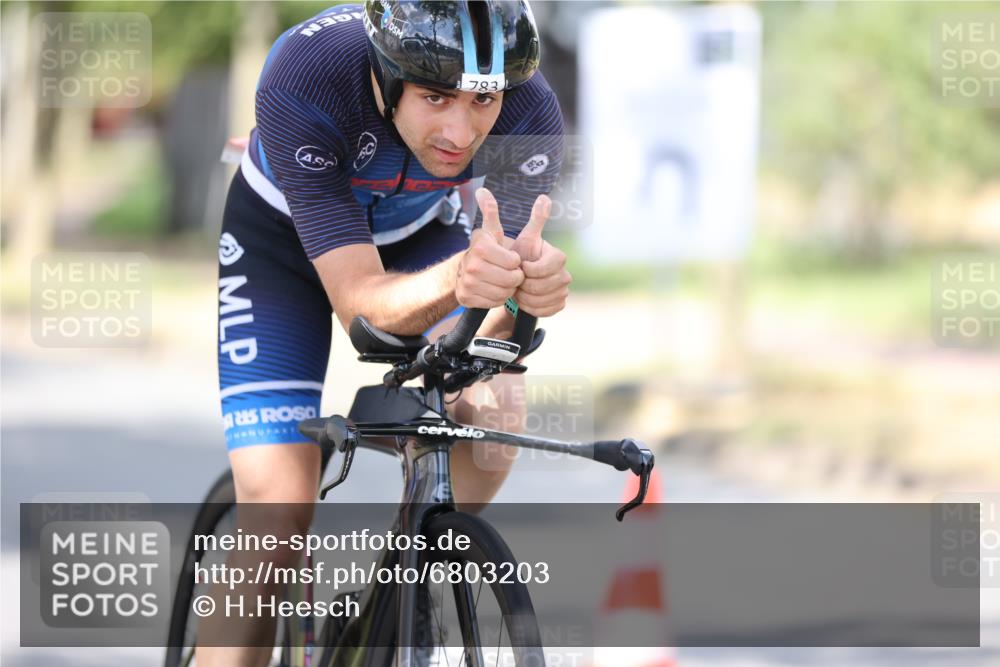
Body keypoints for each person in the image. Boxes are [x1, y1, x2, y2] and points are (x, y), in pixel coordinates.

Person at [201, 1, 569, 663]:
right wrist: (465, 277)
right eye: (434, 97)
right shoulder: (306, 77)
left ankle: (398, 588)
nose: (460, 130)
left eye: (483, 99)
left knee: (493, 410)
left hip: (415, 237)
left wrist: (527, 293)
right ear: (387, 72)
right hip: (280, 247)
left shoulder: (529, 107)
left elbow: (498, 315)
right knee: (277, 514)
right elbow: (363, 312)